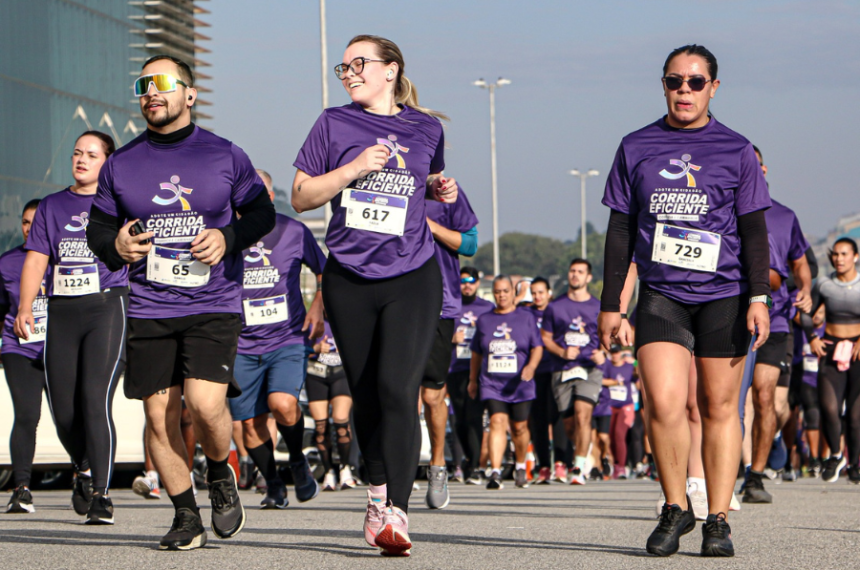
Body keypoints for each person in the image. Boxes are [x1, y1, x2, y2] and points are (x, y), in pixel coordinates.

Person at [86, 55, 275, 550]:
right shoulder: (121, 164)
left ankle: (219, 470)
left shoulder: (224, 155)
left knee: (206, 403)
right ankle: (186, 516)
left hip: (213, 300)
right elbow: (99, 229)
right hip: (150, 305)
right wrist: (116, 246)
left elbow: (262, 212)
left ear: (189, 94)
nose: (152, 92)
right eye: (143, 85)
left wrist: (228, 237)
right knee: (157, 414)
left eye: (163, 83)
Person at [598, 44, 772, 557]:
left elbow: (754, 231)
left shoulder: (736, 149)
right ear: (664, 85)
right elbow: (620, 228)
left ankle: (718, 518)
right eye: (675, 81)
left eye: (696, 82)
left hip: (725, 295)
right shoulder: (636, 146)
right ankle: (676, 507)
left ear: (714, 88)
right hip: (661, 295)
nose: (684, 91)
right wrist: (612, 303)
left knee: (719, 407)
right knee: (665, 403)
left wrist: (758, 297)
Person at [291, 35, 457, 557]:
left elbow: (420, 178)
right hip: (349, 277)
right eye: (345, 67)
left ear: (391, 70)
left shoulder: (426, 126)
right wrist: (355, 168)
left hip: (413, 273)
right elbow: (300, 196)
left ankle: (399, 514)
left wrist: (436, 189)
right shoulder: (332, 123)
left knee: (396, 387)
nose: (350, 73)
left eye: (360, 64)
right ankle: (377, 490)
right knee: (364, 392)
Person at [15, 131, 129, 525]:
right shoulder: (51, 205)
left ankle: (101, 493)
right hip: (62, 310)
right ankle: (82, 465)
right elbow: (35, 260)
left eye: (91, 154)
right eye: (77, 153)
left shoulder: (119, 202)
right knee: (63, 410)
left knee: (94, 399)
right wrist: (25, 306)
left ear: (107, 162)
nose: (81, 160)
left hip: (107, 306)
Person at [230, 169, 325, 509]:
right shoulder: (226, 234)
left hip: (286, 338)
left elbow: (325, 270)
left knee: (282, 404)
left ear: (270, 198)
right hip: (241, 344)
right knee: (250, 424)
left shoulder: (294, 231)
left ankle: (298, 460)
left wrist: (317, 306)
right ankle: (273, 484)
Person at [742, 145, 812, 503]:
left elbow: (800, 262)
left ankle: (755, 475)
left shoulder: (785, 216)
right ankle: (724, 469)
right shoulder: (723, 211)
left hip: (776, 318)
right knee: (728, 400)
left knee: (765, 395)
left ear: (764, 170)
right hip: (729, 314)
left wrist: (806, 288)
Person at [421, 187, 478, 509]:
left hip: (440, 305)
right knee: (397, 392)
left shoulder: (448, 192)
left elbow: (469, 244)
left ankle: (438, 464)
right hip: (395, 302)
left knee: (431, 395)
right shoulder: (385, 186)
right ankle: (392, 472)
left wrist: (430, 226)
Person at [468, 275, 543, 489]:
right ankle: (495, 471)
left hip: (520, 383)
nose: (501, 295)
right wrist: (473, 380)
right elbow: (476, 353)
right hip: (492, 383)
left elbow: (537, 347)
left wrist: (531, 367)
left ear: (513, 293)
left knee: (519, 427)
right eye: (497, 292)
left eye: (505, 291)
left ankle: (520, 465)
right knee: (496, 422)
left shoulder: (526, 317)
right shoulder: (484, 319)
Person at [2, 200, 49, 513]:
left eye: (36, 222)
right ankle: (21, 488)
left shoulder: (60, 259)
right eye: (25, 222)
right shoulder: (6, 263)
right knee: (27, 415)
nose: (29, 228)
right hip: (19, 347)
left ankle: (84, 479)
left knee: (72, 417)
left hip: (60, 348)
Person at [541, 259, 605, 486]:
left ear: (588, 278)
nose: (575, 275)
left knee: (582, 414)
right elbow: (545, 338)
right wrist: (561, 351)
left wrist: (603, 352)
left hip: (590, 369)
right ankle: (583, 452)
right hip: (562, 369)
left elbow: (610, 333)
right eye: (572, 271)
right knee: (570, 424)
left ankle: (578, 467)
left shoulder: (598, 306)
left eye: (580, 272)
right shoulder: (555, 307)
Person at [804, 238, 860, 484]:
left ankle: (855, 463)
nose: (839, 258)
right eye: (835, 254)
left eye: (844, 254)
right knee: (829, 408)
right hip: (830, 349)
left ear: (855, 257)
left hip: (858, 351)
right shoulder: (825, 285)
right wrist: (812, 337)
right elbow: (806, 314)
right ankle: (836, 455)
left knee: (857, 416)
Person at [449, 267, 495, 485]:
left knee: (475, 418)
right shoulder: (450, 305)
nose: (467, 285)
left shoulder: (487, 309)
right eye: (463, 281)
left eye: (471, 281)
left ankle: (476, 466)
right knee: (459, 419)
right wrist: (451, 338)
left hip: (479, 372)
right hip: (455, 369)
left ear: (477, 284)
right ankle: (468, 458)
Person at [528, 277, 570, 484]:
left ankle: (561, 464)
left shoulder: (556, 310)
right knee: (538, 420)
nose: (537, 297)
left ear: (549, 293)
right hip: (534, 373)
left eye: (540, 292)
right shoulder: (525, 313)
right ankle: (543, 465)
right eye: (533, 293)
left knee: (558, 417)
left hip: (555, 369)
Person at [307, 318, 358, 491]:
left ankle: (345, 468)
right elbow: (295, 348)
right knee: (321, 427)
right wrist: (315, 348)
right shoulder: (312, 320)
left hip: (340, 372)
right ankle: (329, 472)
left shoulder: (348, 319)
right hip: (316, 372)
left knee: (340, 419)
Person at [792, 305, 826, 476]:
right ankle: (814, 458)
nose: (817, 317)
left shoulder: (829, 328)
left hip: (827, 378)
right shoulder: (801, 329)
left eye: (820, 313)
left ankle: (828, 457)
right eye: (814, 313)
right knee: (812, 413)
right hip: (806, 377)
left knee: (830, 416)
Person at [606, 345, 636, 478]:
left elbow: (640, 374)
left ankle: (622, 467)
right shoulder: (607, 366)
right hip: (610, 405)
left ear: (621, 353)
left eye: (617, 352)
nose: (614, 355)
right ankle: (615, 465)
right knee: (611, 437)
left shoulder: (629, 367)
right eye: (612, 352)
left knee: (619, 434)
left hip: (626, 406)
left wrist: (635, 362)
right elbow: (599, 380)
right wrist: (614, 383)